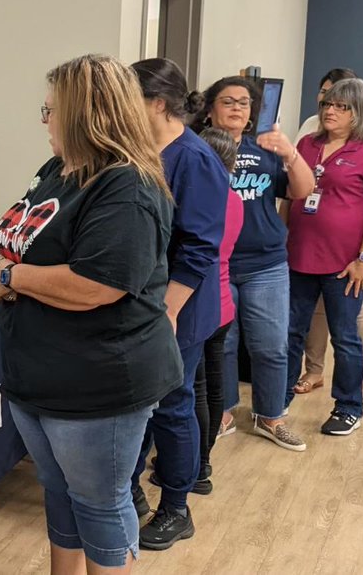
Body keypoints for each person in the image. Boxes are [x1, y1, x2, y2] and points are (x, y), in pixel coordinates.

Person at [0, 54, 180, 574]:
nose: (44, 120)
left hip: (98, 380)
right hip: (41, 372)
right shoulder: (58, 169)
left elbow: (97, 286)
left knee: (99, 501)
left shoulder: (127, 186)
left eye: (51, 109)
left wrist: (12, 278)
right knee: (59, 491)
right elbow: (23, 239)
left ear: (85, 115)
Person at [128, 58, 228, 550]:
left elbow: (199, 248)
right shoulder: (143, 151)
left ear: (159, 104)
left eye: (130, 100)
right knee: (140, 404)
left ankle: (176, 508)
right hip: (147, 304)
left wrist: (168, 311)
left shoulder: (195, 159)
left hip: (179, 307)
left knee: (171, 405)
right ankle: (130, 492)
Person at [196, 76, 313, 453]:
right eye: (227, 101)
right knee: (223, 345)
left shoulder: (266, 148)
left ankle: (270, 416)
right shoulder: (198, 150)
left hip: (266, 263)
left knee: (271, 345)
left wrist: (290, 154)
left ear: (252, 113)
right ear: (211, 109)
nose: (236, 108)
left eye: (244, 103)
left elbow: (302, 191)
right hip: (217, 263)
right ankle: (225, 412)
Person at [284, 78, 363, 435]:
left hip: (344, 264)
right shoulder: (307, 144)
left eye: (342, 106)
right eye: (328, 104)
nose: (331, 111)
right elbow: (290, 199)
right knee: (290, 333)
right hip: (298, 256)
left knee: (345, 337)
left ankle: (348, 407)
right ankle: (277, 400)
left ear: (358, 111)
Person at [190, 127, 244, 492]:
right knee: (213, 384)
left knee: (195, 390)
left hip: (199, 306)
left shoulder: (201, 200)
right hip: (223, 305)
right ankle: (202, 463)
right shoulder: (234, 199)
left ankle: (192, 465)